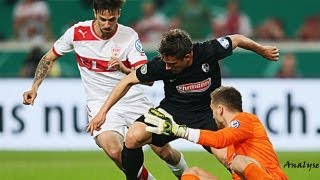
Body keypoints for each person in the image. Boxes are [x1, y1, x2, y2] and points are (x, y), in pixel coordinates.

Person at [22, 1, 188, 179]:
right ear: (94, 13)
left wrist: (124, 68)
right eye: (103, 19)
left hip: (132, 99)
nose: (107, 24)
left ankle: (187, 175)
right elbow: (48, 58)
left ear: (119, 14)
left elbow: (148, 80)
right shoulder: (77, 33)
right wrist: (34, 87)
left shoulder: (128, 36)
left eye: (112, 19)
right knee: (115, 151)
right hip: (99, 103)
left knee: (163, 150)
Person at [86, 29, 279, 179]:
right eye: (165, 63)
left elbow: (237, 39)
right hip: (171, 114)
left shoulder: (208, 51)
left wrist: (262, 50)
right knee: (133, 137)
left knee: (228, 159)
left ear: (188, 57)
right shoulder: (161, 64)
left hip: (208, 115)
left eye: (172, 64)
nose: (167, 67)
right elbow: (126, 81)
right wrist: (103, 112)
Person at [144, 86, 288, 180]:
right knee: (192, 173)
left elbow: (219, 139)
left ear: (220, 109)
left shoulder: (246, 119)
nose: (212, 116)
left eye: (212, 111)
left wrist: (178, 130)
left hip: (272, 177)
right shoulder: (233, 137)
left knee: (239, 161)